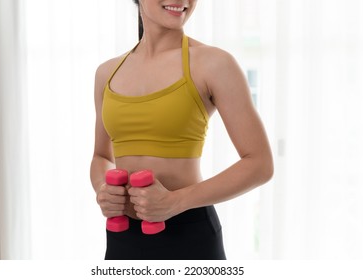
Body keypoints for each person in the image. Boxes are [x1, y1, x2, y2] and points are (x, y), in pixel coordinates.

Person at [90, 0, 273, 260]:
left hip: (190, 235)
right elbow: (101, 156)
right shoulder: (106, 73)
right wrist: (102, 189)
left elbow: (260, 164)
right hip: (122, 236)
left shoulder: (214, 64)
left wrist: (174, 202)